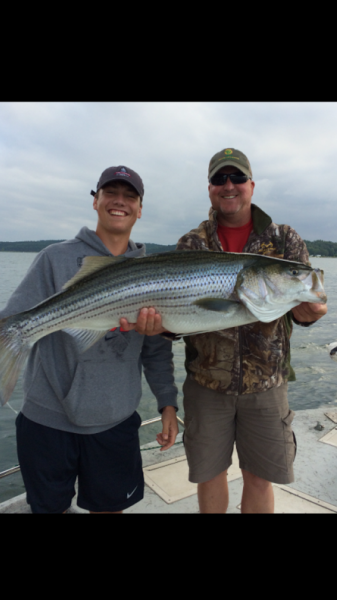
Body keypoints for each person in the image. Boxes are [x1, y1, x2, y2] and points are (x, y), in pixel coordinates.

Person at [124, 148, 327, 513]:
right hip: (207, 386)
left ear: (252, 185)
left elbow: (306, 308)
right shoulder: (193, 243)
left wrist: (313, 309)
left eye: (237, 178)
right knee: (209, 475)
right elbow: (178, 321)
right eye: (220, 179)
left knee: (260, 477)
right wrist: (159, 327)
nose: (228, 186)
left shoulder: (282, 240)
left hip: (267, 385)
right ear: (210, 188)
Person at [0, 165, 179, 514]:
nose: (119, 202)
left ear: (140, 210)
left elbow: (156, 352)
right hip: (46, 420)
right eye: (110, 193)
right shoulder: (54, 258)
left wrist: (168, 404)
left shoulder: (155, 272)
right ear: (95, 201)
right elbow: (14, 320)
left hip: (114, 421)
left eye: (130, 196)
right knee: (47, 509)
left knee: (110, 509)